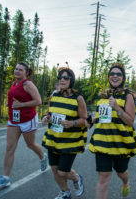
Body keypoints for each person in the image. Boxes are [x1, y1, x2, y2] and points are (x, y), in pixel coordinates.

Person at [0, 63, 47, 188]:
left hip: (27, 119)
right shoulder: (14, 83)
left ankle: (43, 156)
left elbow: (38, 101)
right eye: (16, 69)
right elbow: (14, 96)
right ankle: (5, 178)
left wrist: (20, 105)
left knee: (30, 145)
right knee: (10, 148)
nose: (17, 71)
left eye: (20, 70)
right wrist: (8, 102)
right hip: (14, 120)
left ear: (26, 73)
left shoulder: (28, 84)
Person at [88, 62, 136, 199]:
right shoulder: (104, 95)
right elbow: (102, 117)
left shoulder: (128, 96)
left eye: (118, 74)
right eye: (112, 74)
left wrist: (117, 108)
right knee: (103, 177)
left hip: (121, 142)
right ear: (109, 76)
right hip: (102, 141)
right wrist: (91, 120)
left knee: (121, 172)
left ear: (123, 77)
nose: (115, 76)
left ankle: (126, 183)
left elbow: (130, 121)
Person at [41, 66, 87, 199]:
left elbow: (85, 120)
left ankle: (76, 178)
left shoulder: (78, 98)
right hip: (53, 138)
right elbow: (49, 113)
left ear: (71, 80)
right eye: (60, 77)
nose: (62, 79)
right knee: (55, 170)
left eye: (66, 77)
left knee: (62, 172)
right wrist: (45, 118)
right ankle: (65, 192)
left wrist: (72, 123)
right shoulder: (53, 95)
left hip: (70, 141)